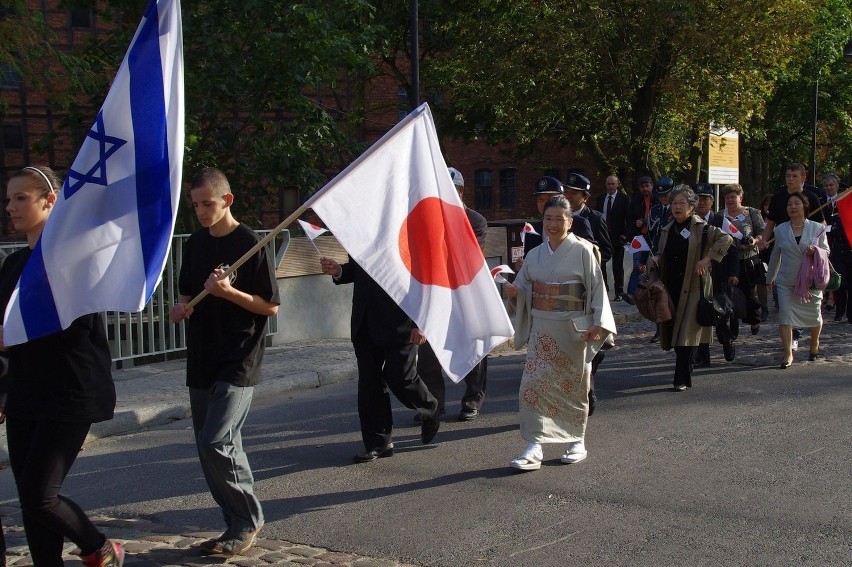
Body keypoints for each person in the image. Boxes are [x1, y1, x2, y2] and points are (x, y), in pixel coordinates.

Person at [0, 166, 124, 566]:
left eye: (21, 198)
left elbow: (72, 333)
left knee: (41, 495)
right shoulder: (15, 264)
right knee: (29, 500)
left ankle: (98, 547)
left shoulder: (73, 261)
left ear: (49, 201)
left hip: (71, 391)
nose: (10, 207)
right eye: (9, 198)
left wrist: (16, 333)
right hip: (23, 392)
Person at [169, 168, 279, 557]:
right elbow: (186, 297)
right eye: (195, 205)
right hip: (202, 357)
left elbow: (269, 305)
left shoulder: (250, 242)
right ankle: (232, 522)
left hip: (239, 356)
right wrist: (180, 309)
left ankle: (247, 519)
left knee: (219, 441)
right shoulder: (196, 244)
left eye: (207, 204)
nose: (200, 211)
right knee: (205, 446)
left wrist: (229, 292)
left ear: (226, 200)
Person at [503, 195, 615, 471]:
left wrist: (598, 324)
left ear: (570, 222)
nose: (552, 225)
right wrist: (515, 292)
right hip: (542, 329)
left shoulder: (582, 251)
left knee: (572, 388)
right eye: (548, 219)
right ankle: (533, 445)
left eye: (559, 219)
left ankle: (576, 440)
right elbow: (523, 287)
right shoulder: (534, 255)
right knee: (533, 387)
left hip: (573, 330)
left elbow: (597, 290)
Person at [319, 254, 440, 461]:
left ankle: (430, 408)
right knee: (369, 385)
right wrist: (339, 271)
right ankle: (379, 443)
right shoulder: (361, 233)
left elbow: (420, 278)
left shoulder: (401, 230)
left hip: (401, 322)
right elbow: (362, 272)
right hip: (364, 322)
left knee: (401, 378)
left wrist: (420, 322)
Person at [416, 167, 489, 422]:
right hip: (436, 292)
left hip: (466, 293)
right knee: (428, 351)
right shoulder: (427, 219)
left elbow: (468, 256)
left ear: (459, 191)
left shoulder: (475, 220)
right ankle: (434, 403)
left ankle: (472, 399)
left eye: (449, 190)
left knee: (474, 347)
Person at [649, 185, 732, 390]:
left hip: (694, 287)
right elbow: (662, 252)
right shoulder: (667, 229)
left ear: (691, 206)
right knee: (675, 333)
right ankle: (686, 369)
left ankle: (681, 379)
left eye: (681, 203)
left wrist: (707, 259)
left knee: (686, 334)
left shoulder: (701, 227)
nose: (677, 207)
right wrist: (656, 259)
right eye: (674, 203)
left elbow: (726, 239)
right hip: (671, 288)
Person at [767, 192, 830, 368]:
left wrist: (816, 250)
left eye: (797, 203)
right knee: (785, 317)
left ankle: (814, 345)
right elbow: (775, 254)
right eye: (789, 204)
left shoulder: (817, 228)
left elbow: (827, 251)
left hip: (810, 282)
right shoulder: (780, 229)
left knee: (815, 317)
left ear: (804, 206)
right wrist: (770, 277)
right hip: (786, 281)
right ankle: (788, 353)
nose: (793, 207)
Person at [692, 183, 740, 366]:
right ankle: (703, 355)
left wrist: (734, 273)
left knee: (721, 314)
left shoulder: (721, 221)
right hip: (698, 276)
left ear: (712, 202)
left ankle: (727, 342)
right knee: (701, 314)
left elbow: (733, 249)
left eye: (705, 199)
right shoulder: (690, 220)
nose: (702, 202)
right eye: (698, 199)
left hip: (720, 276)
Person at [519, 176, 596, 266]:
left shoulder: (579, 223)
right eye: (541, 199)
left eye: (549, 199)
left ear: (563, 199)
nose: (545, 203)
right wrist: (522, 266)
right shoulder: (532, 230)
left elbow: (591, 256)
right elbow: (529, 260)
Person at [721, 183, 766, 335]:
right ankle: (732, 325)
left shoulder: (752, 213)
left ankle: (754, 320)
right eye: (727, 197)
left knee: (750, 293)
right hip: (728, 260)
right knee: (730, 294)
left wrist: (755, 240)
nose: (730, 200)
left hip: (748, 259)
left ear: (740, 197)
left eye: (733, 197)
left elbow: (762, 232)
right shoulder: (720, 216)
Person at [822, 173, 852, 323]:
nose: (828, 188)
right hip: (834, 248)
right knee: (840, 282)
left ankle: (850, 313)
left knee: (850, 283)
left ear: (837, 185)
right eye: (826, 185)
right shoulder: (821, 203)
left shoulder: (845, 201)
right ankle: (839, 311)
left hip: (848, 247)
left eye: (831, 185)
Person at [596, 174, 630, 300]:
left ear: (617, 185)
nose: (610, 186)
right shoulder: (600, 198)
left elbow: (629, 218)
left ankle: (619, 291)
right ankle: (604, 289)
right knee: (601, 263)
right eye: (608, 184)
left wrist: (625, 234)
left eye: (613, 184)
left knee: (617, 265)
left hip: (618, 236)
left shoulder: (624, 199)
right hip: (603, 235)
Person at [622, 175, 655, 304]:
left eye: (647, 186)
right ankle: (632, 293)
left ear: (652, 186)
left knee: (653, 267)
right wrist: (635, 224)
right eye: (642, 187)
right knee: (638, 266)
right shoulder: (635, 201)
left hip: (653, 238)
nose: (645, 189)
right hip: (639, 237)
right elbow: (629, 219)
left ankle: (652, 293)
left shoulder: (657, 200)